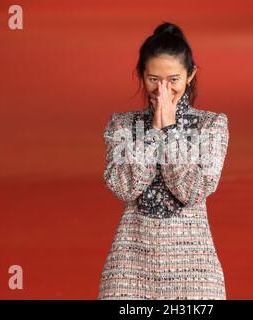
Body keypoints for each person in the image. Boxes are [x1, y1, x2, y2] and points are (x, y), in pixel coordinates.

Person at [98, 21, 229, 300]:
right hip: (130, 266)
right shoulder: (122, 125)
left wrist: (169, 133)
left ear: (190, 75)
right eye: (153, 80)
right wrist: (152, 135)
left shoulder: (210, 126)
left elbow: (192, 191)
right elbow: (125, 188)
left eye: (173, 80)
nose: (162, 90)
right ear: (141, 76)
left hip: (194, 272)